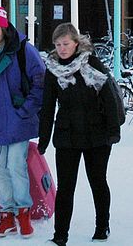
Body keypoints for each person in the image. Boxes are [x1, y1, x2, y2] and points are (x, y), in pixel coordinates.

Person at [38, 23, 122, 246]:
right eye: (58, 44)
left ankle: (102, 225)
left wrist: (114, 131)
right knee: (65, 187)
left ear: (76, 43)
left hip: (97, 134)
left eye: (66, 44)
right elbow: (47, 107)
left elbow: (109, 98)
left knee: (97, 181)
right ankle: (60, 235)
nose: (62, 48)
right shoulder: (52, 69)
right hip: (67, 135)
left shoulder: (91, 63)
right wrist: (43, 139)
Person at [0, 5, 45, 239]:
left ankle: (23, 212)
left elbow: (40, 80)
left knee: (16, 166)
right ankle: (7, 214)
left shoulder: (23, 49)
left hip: (18, 119)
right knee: (0, 170)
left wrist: (26, 109)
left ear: (4, 28)